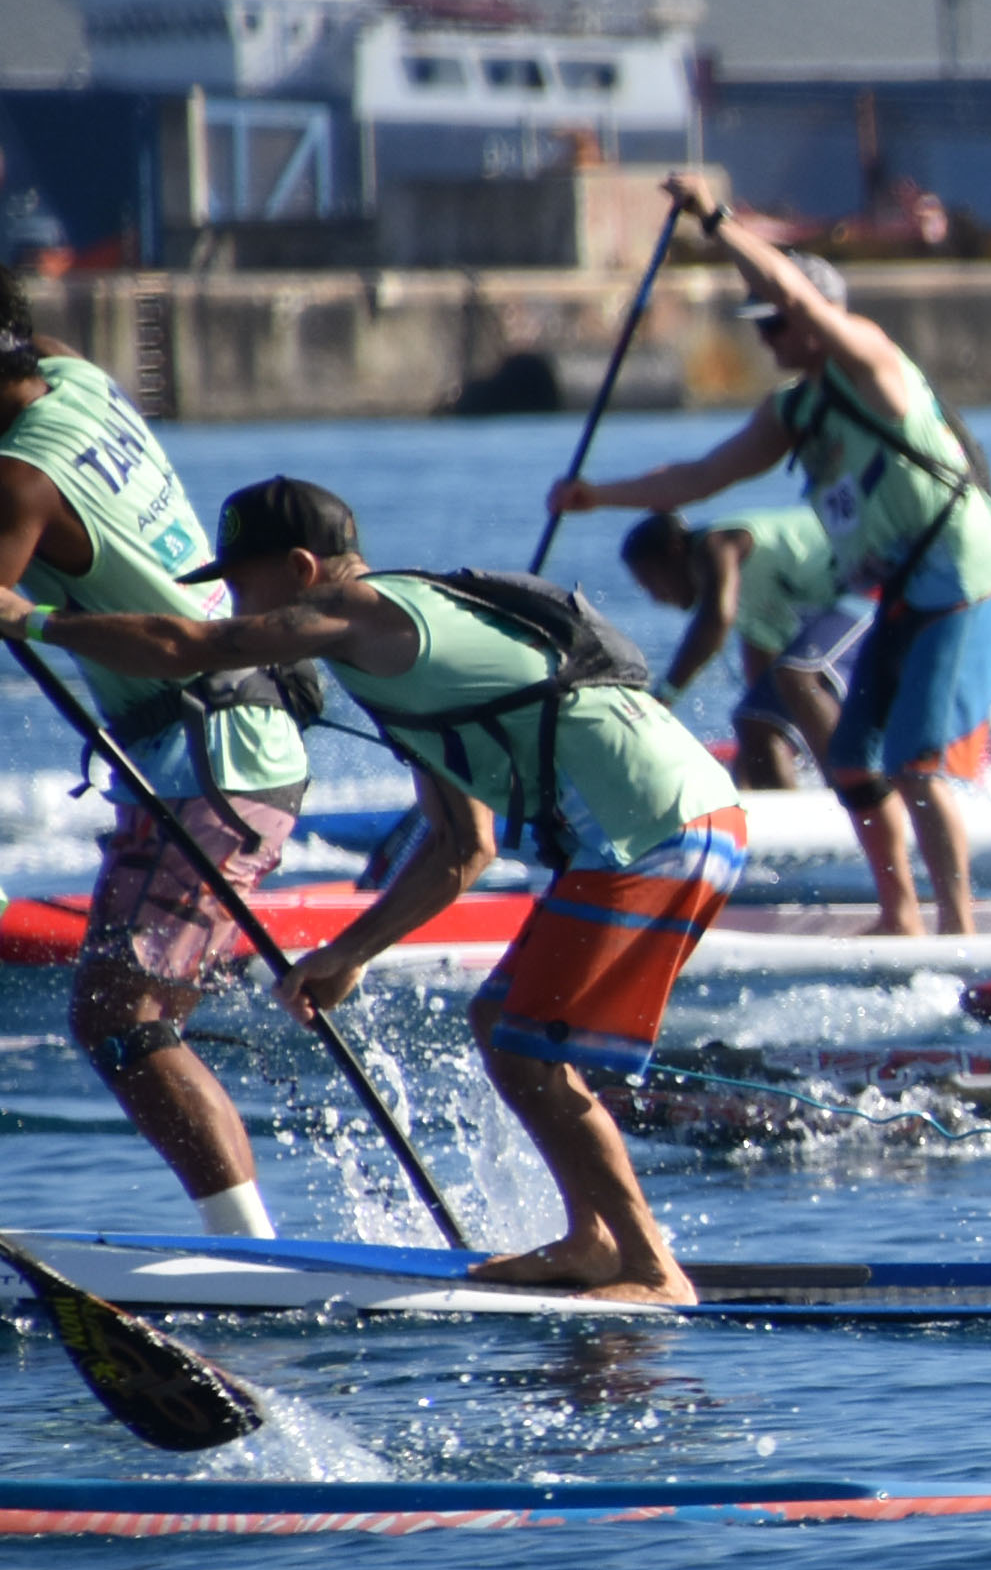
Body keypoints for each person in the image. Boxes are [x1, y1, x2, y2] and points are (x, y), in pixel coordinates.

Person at [4, 477, 747, 1301]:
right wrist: (349, 952)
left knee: (527, 1039)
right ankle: (594, 1242)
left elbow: (188, 648)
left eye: (241, 588)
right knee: (504, 1026)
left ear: (300, 568)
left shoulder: (372, 613)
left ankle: (648, 1267)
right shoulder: (404, 668)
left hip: (654, 826)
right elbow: (464, 847)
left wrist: (31, 618)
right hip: (659, 823)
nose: (233, 609)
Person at [548, 184, 991, 934]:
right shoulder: (793, 411)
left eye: (774, 324)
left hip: (963, 579)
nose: (766, 339)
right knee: (857, 765)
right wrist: (595, 495)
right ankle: (902, 915)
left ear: (809, 319)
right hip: (900, 592)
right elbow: (700, 478)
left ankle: (958, 927)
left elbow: (794, 292)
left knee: (914, 766)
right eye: (760, 327)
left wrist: (718, 223)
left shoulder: (875, 366)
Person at [0, 305, 316, 1233]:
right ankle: (246, 1244)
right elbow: (40, 342)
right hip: (228, 745)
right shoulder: (77, 381)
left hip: (208, 758)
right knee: (131, 1015)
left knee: (118, 1016)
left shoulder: (20, 480)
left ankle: (249, 1256)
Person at [619, 505, 852, 789]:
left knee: (798, 676)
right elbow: (761, 714)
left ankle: (854, 800)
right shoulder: (752, 609)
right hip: (846, 618)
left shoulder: (717, 544)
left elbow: (716, 619)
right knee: (755, 723)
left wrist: (663, 698)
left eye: (651, 581)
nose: (656, 598)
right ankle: (783, 824)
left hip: (876, 589)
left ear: (675, 550)